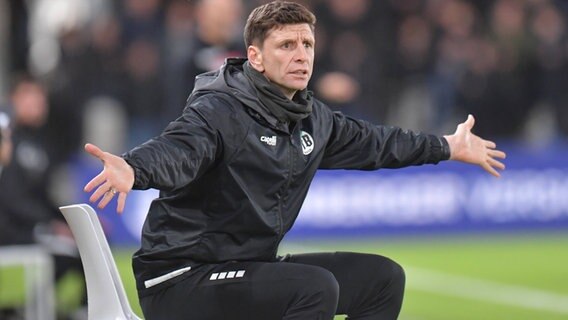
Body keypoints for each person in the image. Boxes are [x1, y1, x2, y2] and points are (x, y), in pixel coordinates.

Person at [84, 2, 506, 319]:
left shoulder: (312, 118)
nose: (301, 54)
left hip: (248, 268)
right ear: (256, 57)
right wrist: (135, 168)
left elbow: (379, 143)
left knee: (383, 278)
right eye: (286, 45)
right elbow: (178, 149)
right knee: (314, 287)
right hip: (180, 279)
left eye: (307, 44)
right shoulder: (219, 110)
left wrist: (448, 146)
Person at [0, 75, 87, 319]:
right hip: (11, 228)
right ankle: (81, 309)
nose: (38, 103)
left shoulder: (40, 143)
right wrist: (48, 224)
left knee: (82, 242)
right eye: (30, 96)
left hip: (28, 222)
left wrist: (64, 220)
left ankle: (28, 307)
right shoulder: (9, 140)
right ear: (12, 100)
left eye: (41, 97)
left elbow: (40, 195)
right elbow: (10, 198)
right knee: (73, 251)